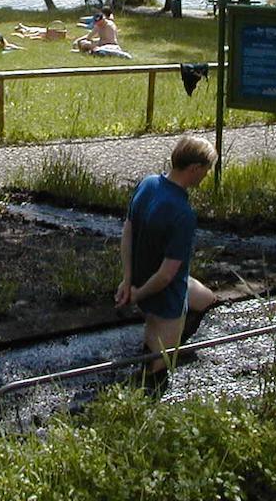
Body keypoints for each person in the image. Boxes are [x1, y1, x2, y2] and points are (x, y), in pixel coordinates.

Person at [115, 136, 219, 393]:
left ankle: (179, 346)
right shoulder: (182, 214)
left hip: (142, 278)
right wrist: (137, 294)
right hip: (164, 298)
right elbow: (165, 275)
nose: (207, 175)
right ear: (194, 168)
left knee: (207, 300)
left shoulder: (148, 184)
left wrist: (128, 279)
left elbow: (128, 231)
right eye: (207, 169)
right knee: (155, 379)